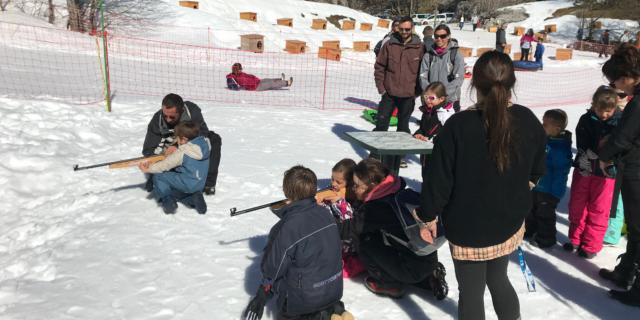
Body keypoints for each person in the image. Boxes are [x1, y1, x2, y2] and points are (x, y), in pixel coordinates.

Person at [419, 51, 547, 320]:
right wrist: (520, 187)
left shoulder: (458, 126)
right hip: (508, 221)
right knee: (498, 279)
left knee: (471, 292)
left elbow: (438, 178)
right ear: (512, 82)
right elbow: (537, 169)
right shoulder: (528, 119)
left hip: (469, 227)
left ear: (474, 83)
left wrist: (427, 216)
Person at [243, 165, 351, 320]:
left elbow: (272, 269)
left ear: (287, 192)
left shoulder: (287, 228)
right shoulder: (326, 214)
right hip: (334, 291)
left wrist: (262, 292)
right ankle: (333, 311)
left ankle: (314, 314)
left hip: (303, 301)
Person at [338, 158, 447, 300]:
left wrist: (320, 227)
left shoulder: (378, 208)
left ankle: (389, 284)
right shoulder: (396, 190)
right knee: (389, 237)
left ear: (371, 185)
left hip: (411, 268)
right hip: (427, 257)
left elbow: (350, 228)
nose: (354, 189)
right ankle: (429, 277)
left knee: (366, 241)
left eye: (357, 185)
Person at [597, 44, 640, 306]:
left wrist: (605, 155)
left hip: (637, 171)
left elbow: (624, 138)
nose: (613, 85)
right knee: (635, 229)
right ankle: (626, 273)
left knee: (639, 228)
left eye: (614, 80)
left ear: (627, 76)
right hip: (633, 167)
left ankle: (636, 288)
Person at [564, 86, 620, 259]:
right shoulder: (586, 119)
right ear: (594, 105)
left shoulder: (620, 123)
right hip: (585, 168)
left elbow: (621, 146)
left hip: (606, 173)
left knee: (599, 209)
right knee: (577, 205)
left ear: (614, 108)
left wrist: (608, 149)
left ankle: (591, 244)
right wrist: (591, 154)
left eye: (608, 111)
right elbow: (583, 143)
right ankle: (575, 238)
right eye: (600, 110)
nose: (604, 115)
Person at [142, 93, 221, 196]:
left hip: (187, 144)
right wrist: (161, 155)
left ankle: (208, 184)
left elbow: (203, 133)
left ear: (181, 111)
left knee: (214, 139)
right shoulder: (157, 119)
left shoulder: (192, 111)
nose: (168, 119)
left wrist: (178, 146)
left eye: (172, 117)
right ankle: (158, 178)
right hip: (168, 150)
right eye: (165, 115)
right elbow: (148, 149)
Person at [139, 121, 209, 214]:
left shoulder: (183, 152)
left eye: (178, 140)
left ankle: (168, 201)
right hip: (199, 184)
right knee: (177, 193)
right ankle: (194, 198)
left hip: (188, 183)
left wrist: (148, 169)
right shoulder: (204, 146)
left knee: (159, 176)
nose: (177, 142)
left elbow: (165, 165)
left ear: (184, 139)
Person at [525, 109, 572, 249]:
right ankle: (530, 229)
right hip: (537, 185)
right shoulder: (546, 140)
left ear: (557, 129)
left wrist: (554, 193)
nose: (542, 125)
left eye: (545, 124)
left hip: (549, 190)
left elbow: (560, 172)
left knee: (545, 214)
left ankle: (546, 238)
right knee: (531, 209)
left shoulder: (560, 148)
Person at [316, 158, 365, 279]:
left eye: (339, 182)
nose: (333, 184)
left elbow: (349, 220)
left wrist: (340, 202)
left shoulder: (354, 198)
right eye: (332, 179)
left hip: (348, 239)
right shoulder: (334, 190)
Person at [374, 16, 424, 134]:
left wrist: (417, 92)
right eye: (401, 29)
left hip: (408, 95)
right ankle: (377, 152)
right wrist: (382, 89)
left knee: (403, 127)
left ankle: (399, 153)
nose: (404, 32)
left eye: (407, 29)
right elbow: (379, 66)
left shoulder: (420, 47)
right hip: (389, 93)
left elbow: (423, 71)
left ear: (412, 28)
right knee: (381, 124)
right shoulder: (389, 45)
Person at [604, 90, 631, 246]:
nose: (618, 98)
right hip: (617, 165)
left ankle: (613, 232)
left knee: (618, 201)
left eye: (621, 95)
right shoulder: (617, 116)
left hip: (625, 165)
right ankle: (617, 229)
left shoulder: (629, 114)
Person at [419, 24, 465, 113]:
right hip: (431, 101)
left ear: (448, 36)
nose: (439, 39)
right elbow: (422, 76)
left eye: (443, 36)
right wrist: (431, 95)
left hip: (450, 100)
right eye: (436, 36)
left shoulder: (456, 54)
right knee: (430, 126)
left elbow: (459, 78)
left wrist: (442, 95)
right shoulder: (428, 55)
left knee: (450, 126)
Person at [226, 63, 292, 91]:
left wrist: (255, 78)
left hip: (257, 82)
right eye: (238, 69)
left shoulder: (240, 74)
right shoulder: (234, 77)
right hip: (256, 87)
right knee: (270, 84)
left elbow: (249, 76)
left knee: (268, 79)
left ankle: (281, 80)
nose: (240, 70)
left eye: (240, 69)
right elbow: (234, 86)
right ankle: (287, 83)